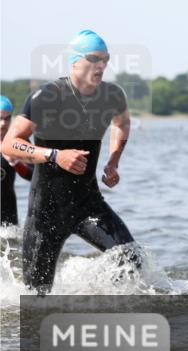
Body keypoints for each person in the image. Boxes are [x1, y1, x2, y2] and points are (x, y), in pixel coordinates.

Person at [0, 30, 139, 294]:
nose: (101, 65)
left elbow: (122, 123)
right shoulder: (48, 96)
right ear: (75, 61)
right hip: (45, 213)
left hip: (89, 204)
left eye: (106, 59)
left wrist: (113, 161)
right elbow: (10, 143)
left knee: (132, 260)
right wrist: (54, 155)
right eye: (94, 58)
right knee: (36, 298)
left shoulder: (112, 96)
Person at [1, 95, 33, 226]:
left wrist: (16, 163)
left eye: (7, 118)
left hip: (8, 215)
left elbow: (33, 175)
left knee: (11, 244)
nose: (3, 123)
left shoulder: (19, 141)